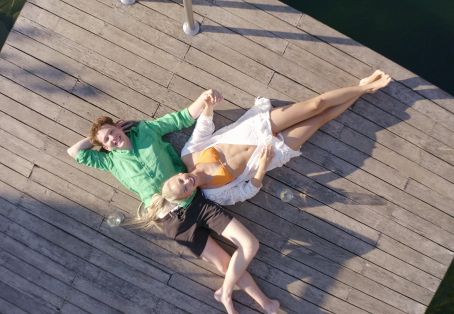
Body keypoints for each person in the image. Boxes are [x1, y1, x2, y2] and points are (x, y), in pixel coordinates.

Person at [67, 90, 280, 314]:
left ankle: (225, 294)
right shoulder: (110, 161)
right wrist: (94, 139)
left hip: (194, 201)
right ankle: (266, 303)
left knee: (247, 245)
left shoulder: (147, 130)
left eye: (112, 131)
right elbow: (74, 152)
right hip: (171, 222)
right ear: (106, 147)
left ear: (120, 127)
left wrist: (204, 98)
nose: (112, 138)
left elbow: (182, 117)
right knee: (225, 265)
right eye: (107, 140)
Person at [160, 70, 392, 206]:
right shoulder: (215, 194)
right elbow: (247, 191)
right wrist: (262, 167)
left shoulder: (189, 156)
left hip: (255, 128)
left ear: (178, 175)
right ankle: (363, 89)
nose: (186, 181)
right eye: (185, 188)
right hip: (272, 152)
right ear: (189, 195)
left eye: (179, 180)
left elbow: (203, 127)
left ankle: (364, 88)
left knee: (316, 105)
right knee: (320, 119)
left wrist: (209, 107)